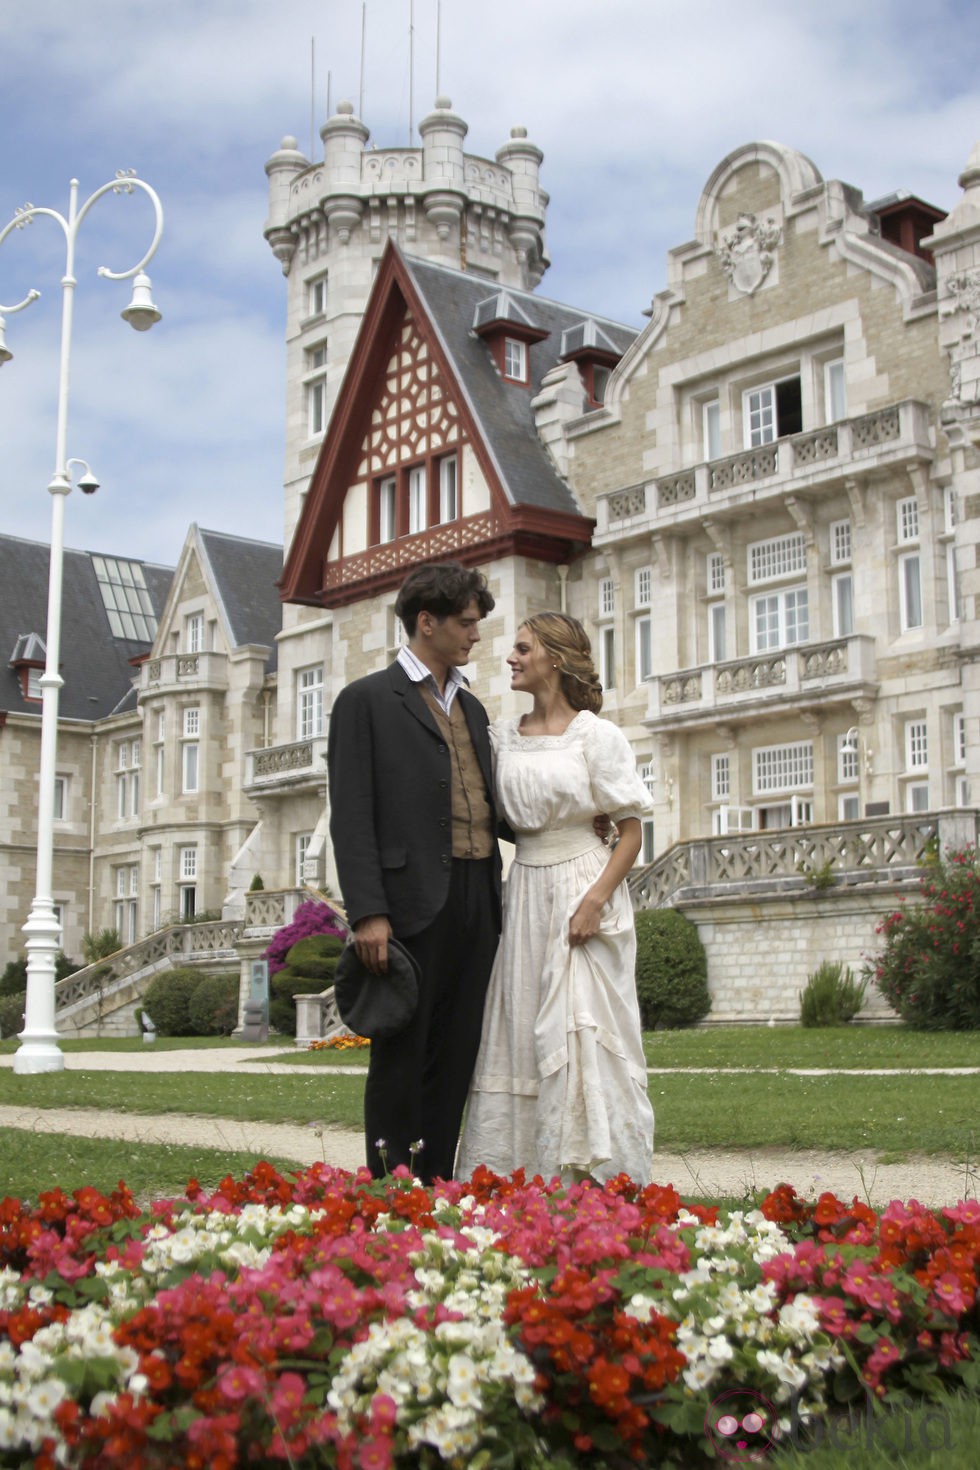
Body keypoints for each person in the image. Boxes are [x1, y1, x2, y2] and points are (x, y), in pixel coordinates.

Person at [455, 611, 655, 1186]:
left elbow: (632, 832)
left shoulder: (598, 735)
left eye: (522, 648)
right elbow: (500, 817)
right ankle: (514, 1176)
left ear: (556, 658)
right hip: (525, 894)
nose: (511, 658)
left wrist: (594, 900)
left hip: (584, 891)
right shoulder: (500, 739)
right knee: (518, 1026)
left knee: (582, 1028)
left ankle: (595, 1177)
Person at [326, 562, 504, 1183]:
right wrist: (368, 912)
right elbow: (351, 817)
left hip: (478, 896)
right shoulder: (365, 701)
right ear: (425, 622)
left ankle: (436, 1180)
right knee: (402, 1053)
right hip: (406, 903)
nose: (476, 635)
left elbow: (490, 799)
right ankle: (391, 1185)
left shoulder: (474, 709)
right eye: (466, 623)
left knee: (457, 1052)